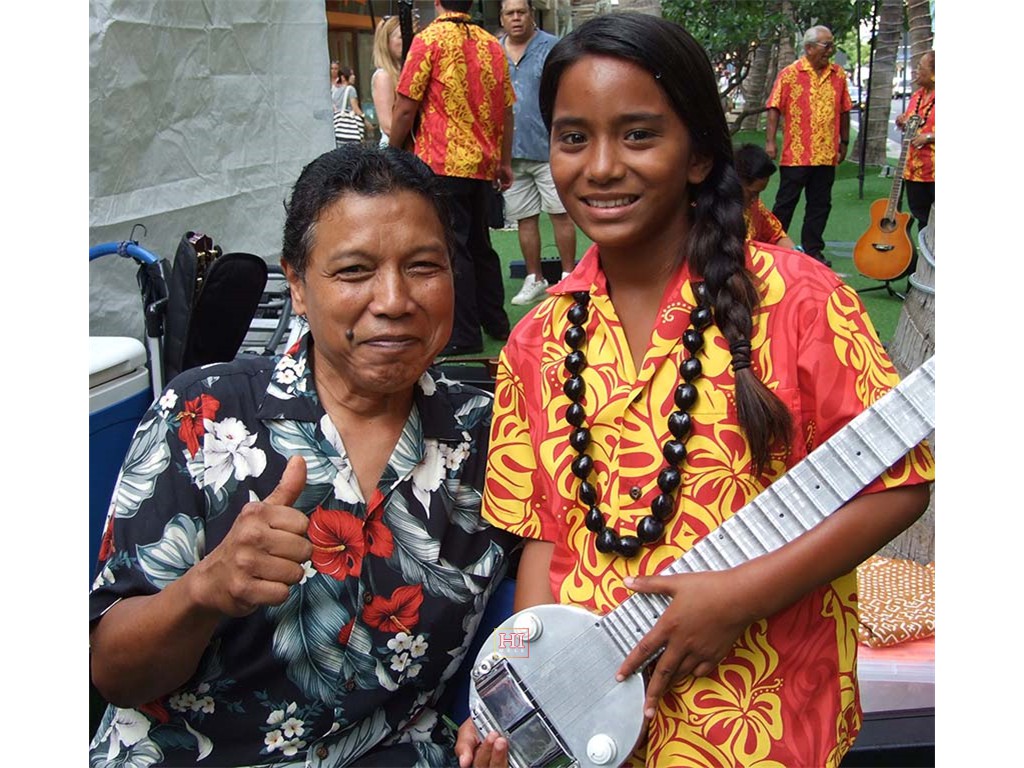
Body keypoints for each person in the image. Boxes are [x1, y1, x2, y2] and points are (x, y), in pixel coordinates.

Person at [456, 13, 934, 768]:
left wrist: (741, 597)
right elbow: (544, 534)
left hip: (761, 716)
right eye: (574, 137)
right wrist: (535, 698)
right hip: (593, 723)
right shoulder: (535, 340)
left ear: (700, 155)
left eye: (638, 135)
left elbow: (897, 484)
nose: (600, 167)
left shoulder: (799, 300)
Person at [89, 145, 519, 767]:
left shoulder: (491, 437)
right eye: (354, 271)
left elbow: (549, 603)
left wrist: (501, 712)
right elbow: (113, 673)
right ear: (296, 283)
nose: (394, 299)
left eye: (424, 266)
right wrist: (206, 589)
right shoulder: (203, 414)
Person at [390, 0, 515, 357]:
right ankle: (496, 322)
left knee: (452, 248)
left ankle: (463, 334)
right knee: (480, 244)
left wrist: (392, 151)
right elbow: (506, 109)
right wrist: (504, 160)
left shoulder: (428, 40)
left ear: (437, 2)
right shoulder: (492, 44)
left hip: (441, 160)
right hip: (483, 162)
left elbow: (405, 107)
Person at [498, 0, 577, 306]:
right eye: (510, 13)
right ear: (502, 18)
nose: (516, 18)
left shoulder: (552, 48)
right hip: (511, 153)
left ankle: (569, 276)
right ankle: (535, 278)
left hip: (549, 148)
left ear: (531, 14)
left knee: (560, 213)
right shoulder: (494, 51)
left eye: (521, 12)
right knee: (524, 218)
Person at [765, 25, 852, 267]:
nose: (830, 51)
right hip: (797, 154)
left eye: (832, 45)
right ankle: (773, 248)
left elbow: (845, 110)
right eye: (826, 45)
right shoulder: (790, 74)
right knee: (786, 202)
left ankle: (813, 251)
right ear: (809, 48)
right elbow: (774, 107)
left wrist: (844, 141)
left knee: (820, 204)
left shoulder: (838, 75)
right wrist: (770, 141)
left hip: (826, 154)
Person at [895, 50, 935, 254]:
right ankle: (925, 263)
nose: (915, 71)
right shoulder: (917, 96)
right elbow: (913, 120)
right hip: (913, 170)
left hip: (934, 171)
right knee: (921, 218)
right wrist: (902, 121)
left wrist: (929, 137)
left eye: (920, 67)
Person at [734, 142, 797, 249]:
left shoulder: (756, 208)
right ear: (738, 182)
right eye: (753, 193)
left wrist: (796, 253)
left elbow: (776, 236)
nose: (756, 199)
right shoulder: (715, 209)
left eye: (759, 193)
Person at [371, 16, 404, 147]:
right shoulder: (383, 76)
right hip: (395, 150)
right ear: (386, 41)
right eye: (401, 37)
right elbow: (388, 126)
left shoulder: (403, 72)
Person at [335, 65, 372, 145]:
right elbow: (355, 108)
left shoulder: (335, 91)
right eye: (351, 74)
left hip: (339, 130)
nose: (354, 77)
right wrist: (365, 121)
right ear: (343, 77)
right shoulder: (351, 89)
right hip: (350, 131)